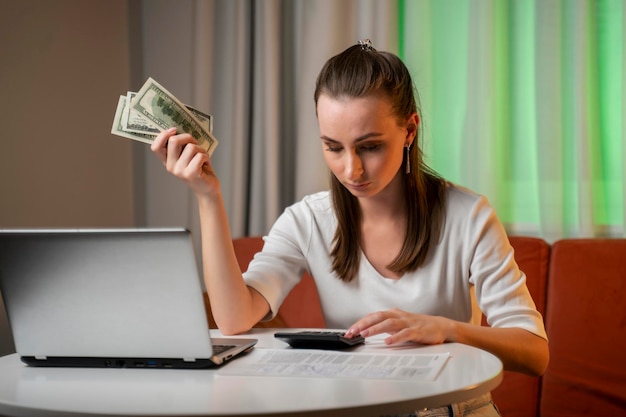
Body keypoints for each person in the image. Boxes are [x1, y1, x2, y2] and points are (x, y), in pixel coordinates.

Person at [151, 39, 548, 416]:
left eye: (370, 146)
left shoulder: (468, 216)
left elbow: (534, 352)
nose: (350, 170)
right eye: (333, 147)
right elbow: (234, 319)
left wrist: (444, 329)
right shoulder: (308, 220)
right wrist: (207, 197)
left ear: (409, 130)